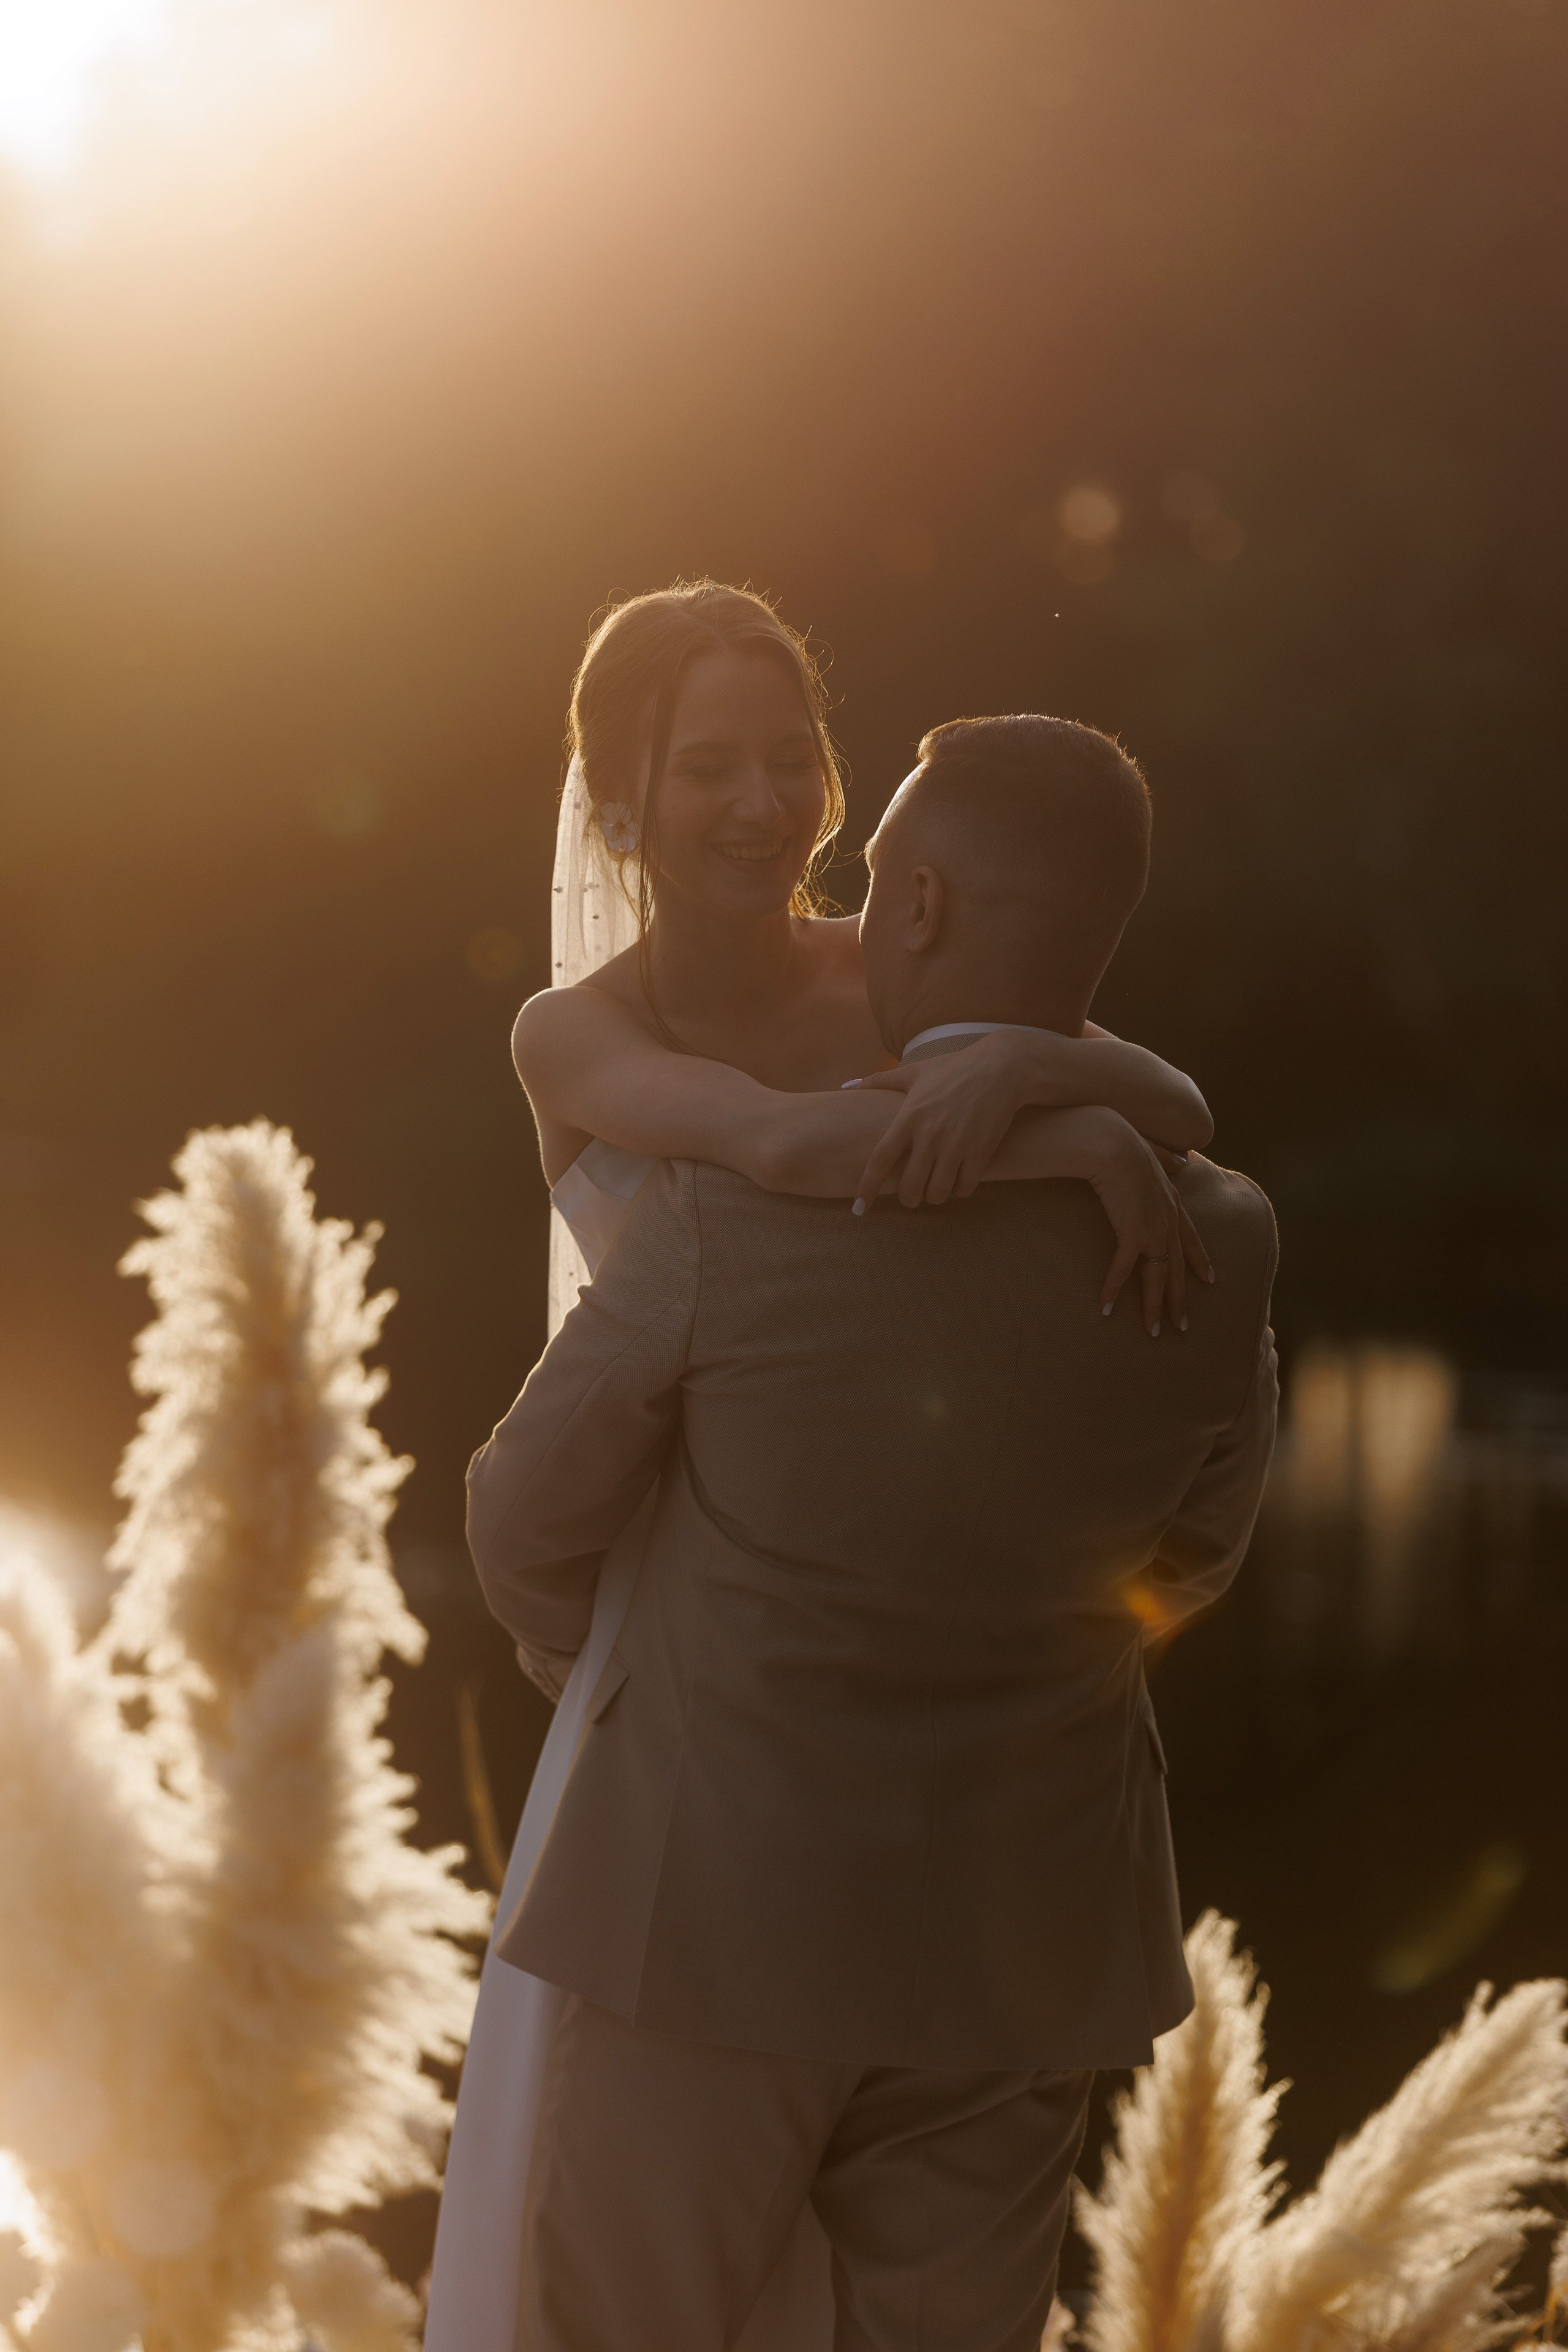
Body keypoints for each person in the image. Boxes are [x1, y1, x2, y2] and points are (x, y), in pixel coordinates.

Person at [422, 581, 1217, 2352]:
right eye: (709, 766)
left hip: (895, 1654)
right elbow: (779, 1150)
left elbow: (1180, 1100)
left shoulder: (893, 962)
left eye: (793, 755)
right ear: (617, 802)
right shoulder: (575, 1032)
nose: (765, 802)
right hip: (681, 1673)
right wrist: (1053, 1119)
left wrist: (1026, 1069)